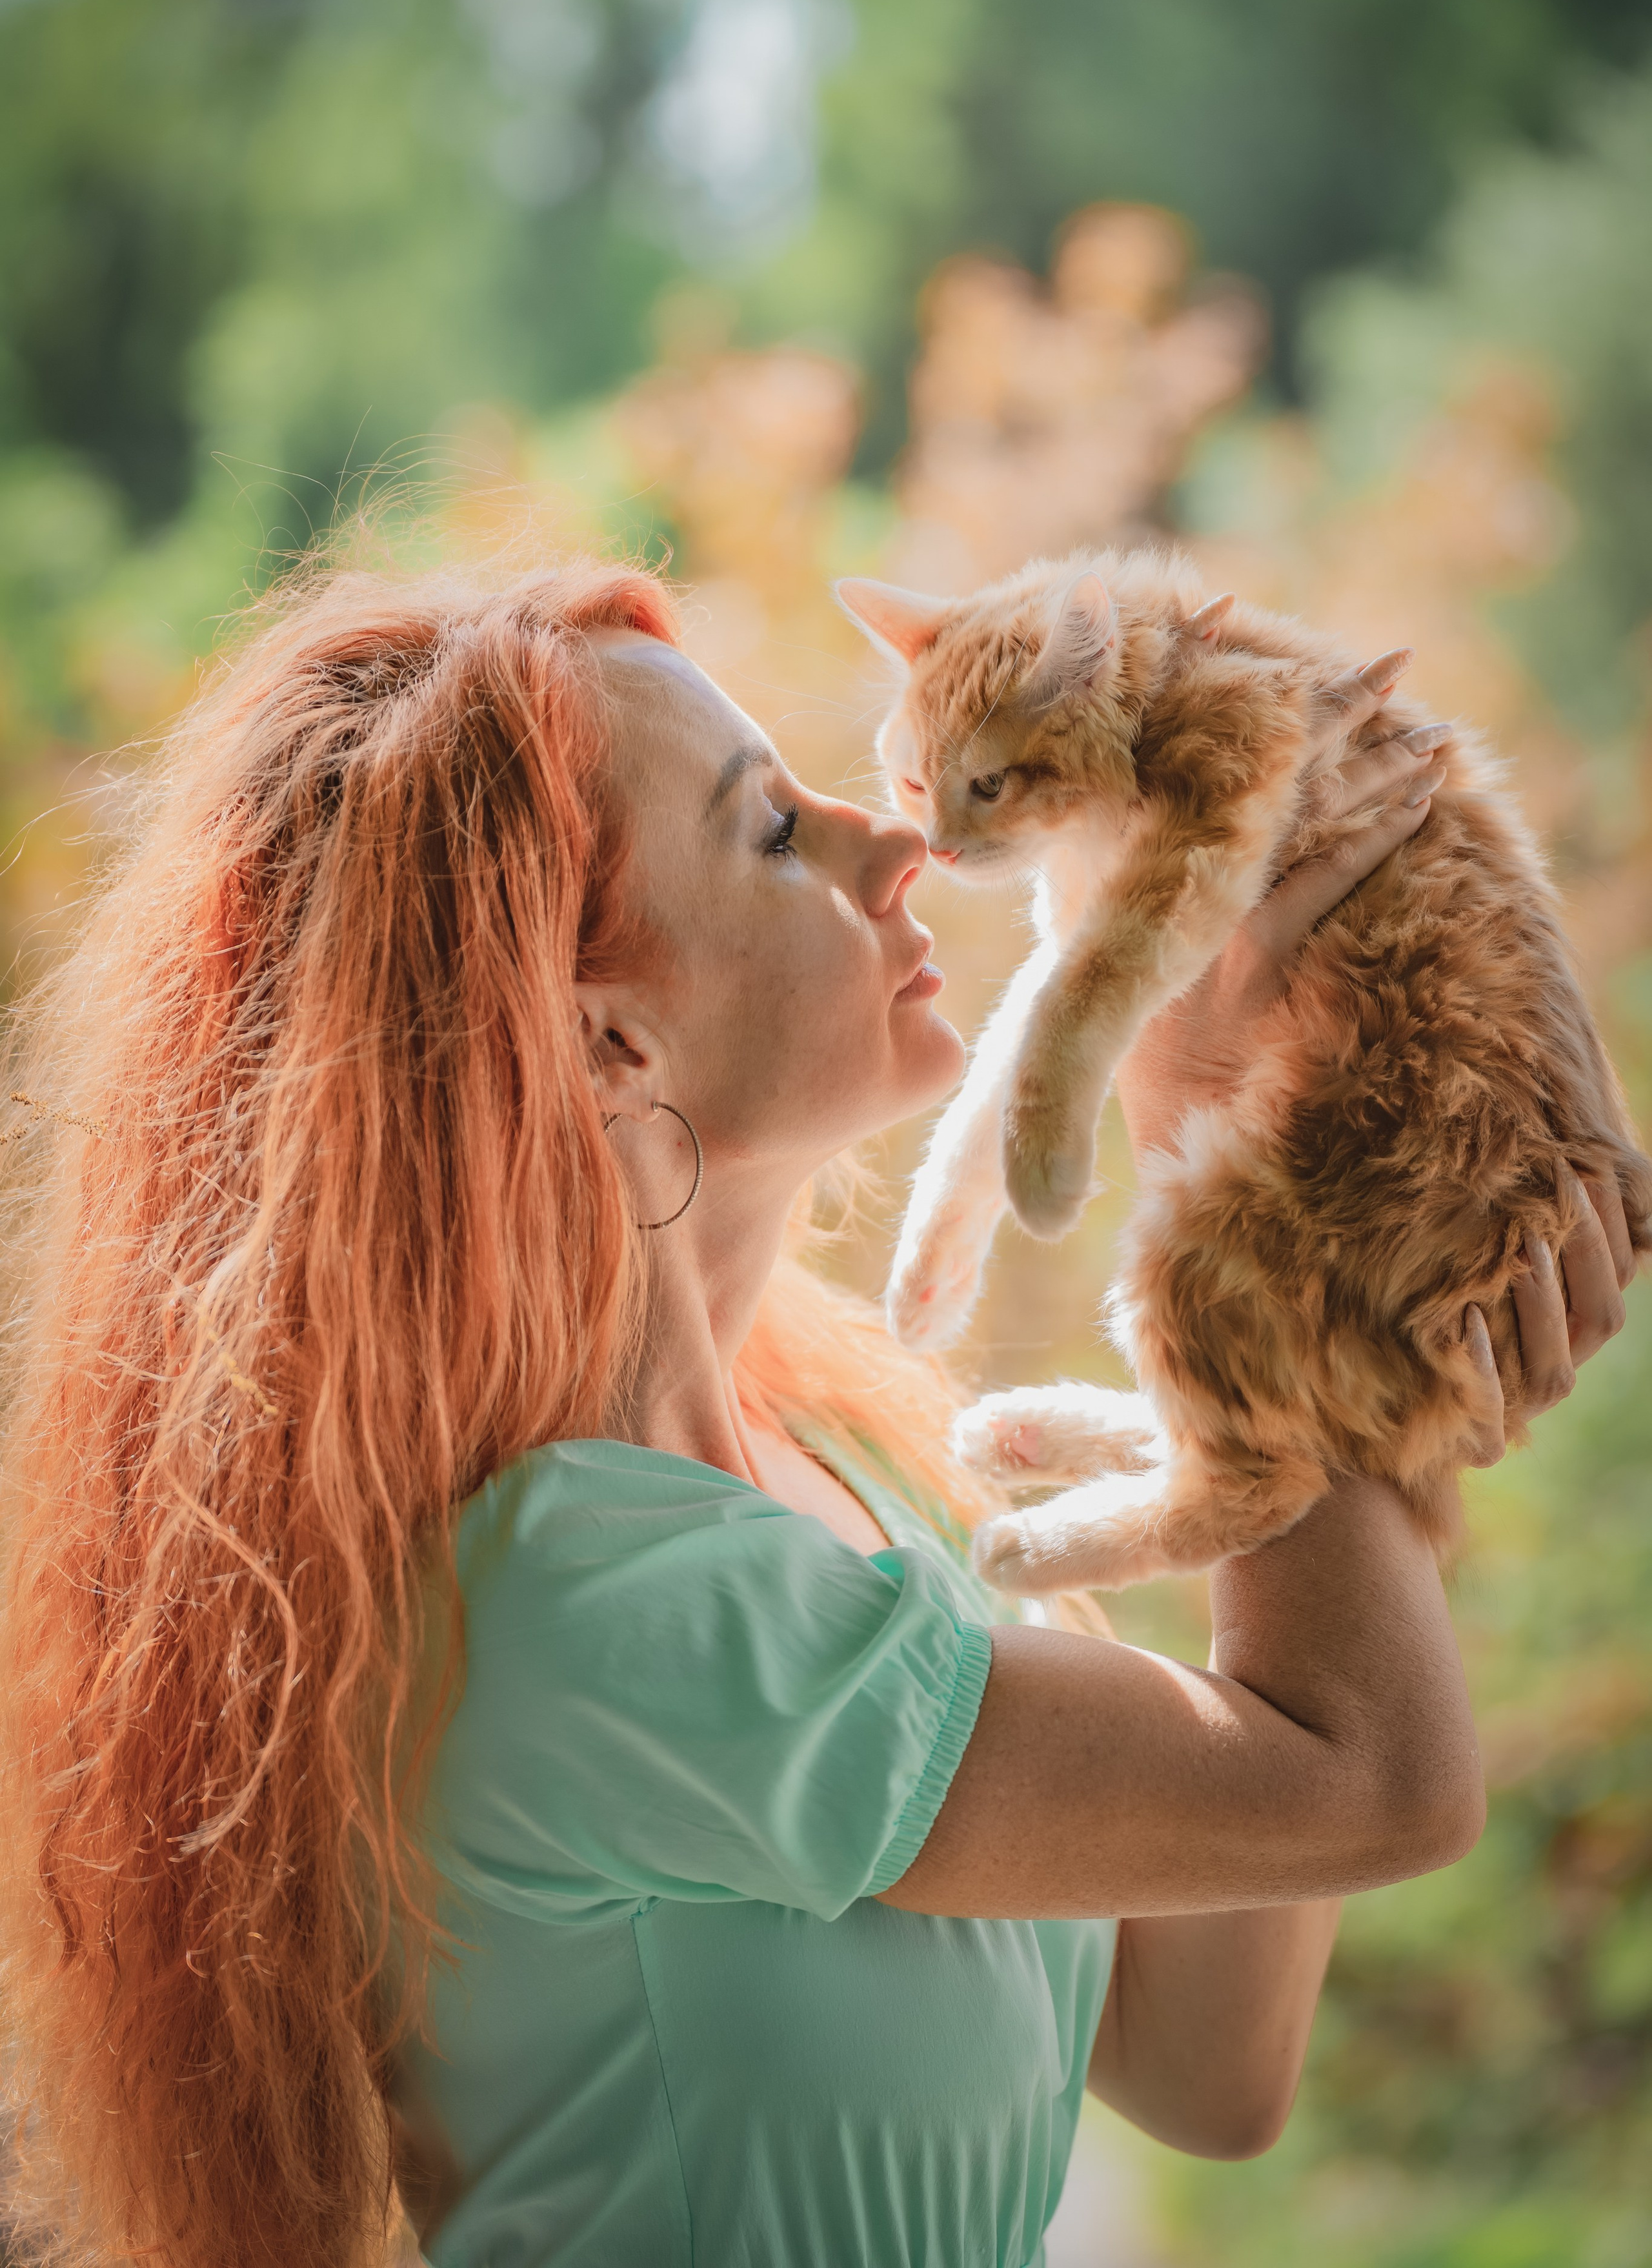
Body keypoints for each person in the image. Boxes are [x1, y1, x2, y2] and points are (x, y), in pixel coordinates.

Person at [0, 556, 1632, 2268]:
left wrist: (1388, 1356)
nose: (895, 839)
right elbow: (1378, 1784)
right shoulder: (589, 1600)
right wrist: (1245, 1136)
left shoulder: (857, 1474)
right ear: (610, 1047)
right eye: (775, 831)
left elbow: (1206, 2060)